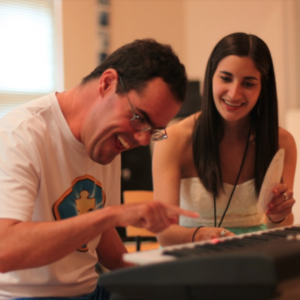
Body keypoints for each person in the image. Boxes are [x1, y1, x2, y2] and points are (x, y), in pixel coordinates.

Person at [0, 39, 199, 299]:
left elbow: (102, 233)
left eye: (153, 131)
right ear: (107, 83)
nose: (141, 140)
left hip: (93, 291)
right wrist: (111, 215)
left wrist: (151, 279)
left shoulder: (106, 141)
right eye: (139, 118)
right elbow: (4, 249)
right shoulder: (19, 135)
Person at [153, 32, 297, 247]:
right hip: (193, 258)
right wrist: (206, 235)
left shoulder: (282, 142)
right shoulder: (172, 138)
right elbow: (164, 235)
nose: (234, 93)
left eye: (248, 84)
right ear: (211, 76)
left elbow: (277, 227)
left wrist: (278, 215)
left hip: (257, 258)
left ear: (263, 88)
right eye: (226, 78)